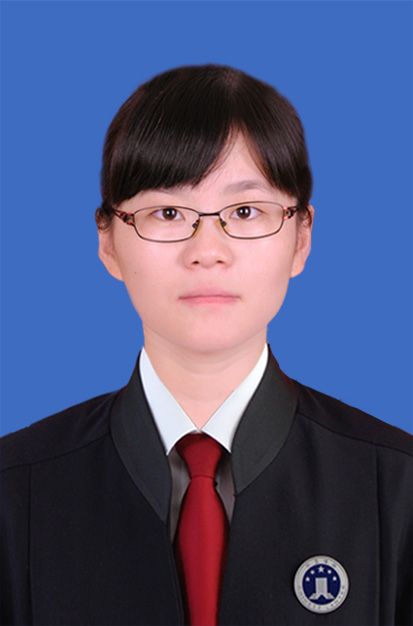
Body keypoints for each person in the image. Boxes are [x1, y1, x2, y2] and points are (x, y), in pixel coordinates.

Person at [1, 63, 412, 626]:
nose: (207, 250)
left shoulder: (395, 488)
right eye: (168, 212)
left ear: (301, 237)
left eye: (245, 211)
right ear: (108, 242)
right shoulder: (15, 492)